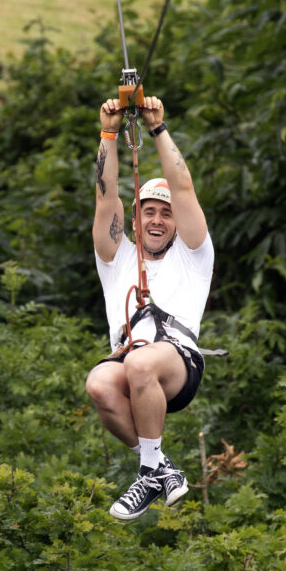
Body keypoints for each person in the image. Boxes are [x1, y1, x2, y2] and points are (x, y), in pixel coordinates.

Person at [84, 93, 215, 521]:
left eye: (166, 214)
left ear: (176, 222)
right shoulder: (118, 257)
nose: (157, 220)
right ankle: (159, 468)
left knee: (141, 364)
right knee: (100, 383)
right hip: (131, 364)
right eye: (148, 212)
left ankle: (146, 470)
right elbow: (106, 197)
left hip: (176, 365)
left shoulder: (192, 255)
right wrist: (109, 132)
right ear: (135, 221)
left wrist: (156, 127)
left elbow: (183, 187)